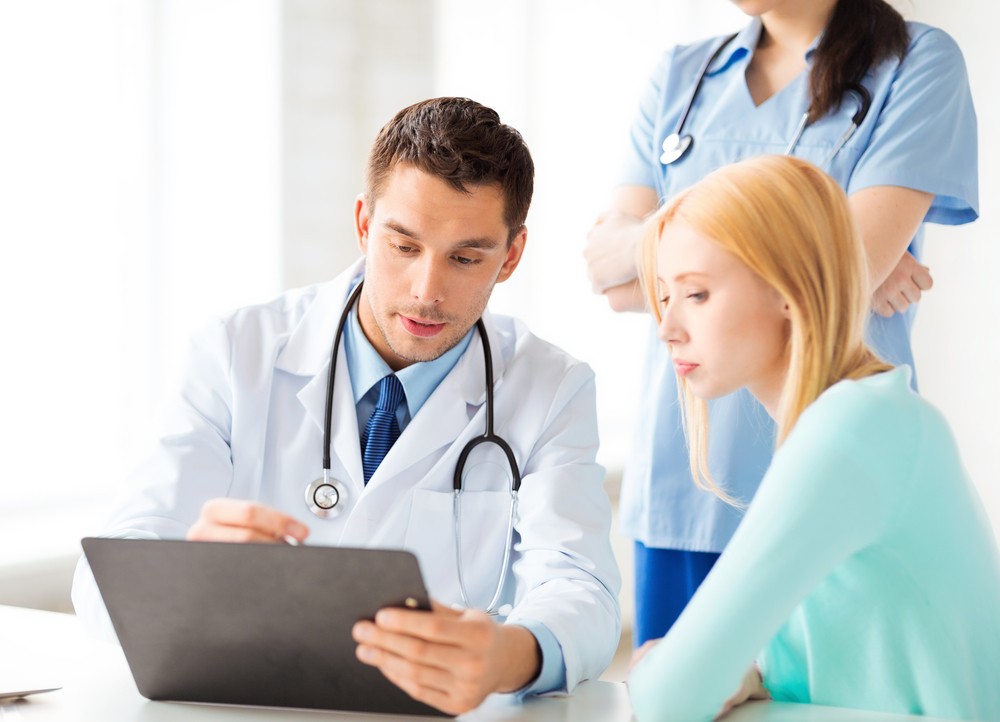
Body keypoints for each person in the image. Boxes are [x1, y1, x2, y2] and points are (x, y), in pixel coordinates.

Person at [72, 97, 621, 716]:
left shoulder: (551, 388)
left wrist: (507, 654)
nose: (427, 290)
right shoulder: (235, 352)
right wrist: (189, 575)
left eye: (466, 258)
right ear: (364, 224)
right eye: (403, 245)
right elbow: (103, 577)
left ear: (511, 256)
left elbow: (583, 591)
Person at [584, 0, 979, 646]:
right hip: (685, 478)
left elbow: (845, 271)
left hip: (834, 475)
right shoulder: (682, 75)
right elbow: (613, 278)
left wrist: (656, 244)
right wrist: (813, 253)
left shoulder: (916, 62)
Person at [626, 154, 1000, 722]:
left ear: (787, 288)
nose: (667, 327)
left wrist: (663, 669)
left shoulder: (854, 430)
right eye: (664, 295)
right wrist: (749, 673)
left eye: (696, 294)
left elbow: (667, 698)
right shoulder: (866, 417)